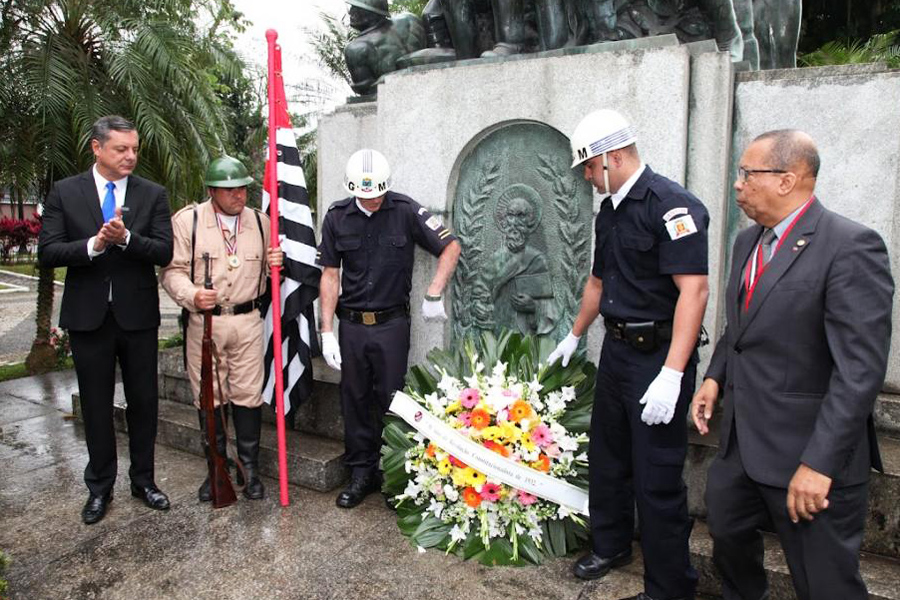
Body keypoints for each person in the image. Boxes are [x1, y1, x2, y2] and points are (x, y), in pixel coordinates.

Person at [691, 130, 893, 600]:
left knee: (824, 583)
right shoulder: (747, 242)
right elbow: (738, 325)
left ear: (788, 180)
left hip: (808, 452)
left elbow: (859, 371)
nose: (738, 185)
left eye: (747, 174)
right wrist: (715, 378)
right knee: (726, 539)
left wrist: (819, 464)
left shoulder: (850, 246)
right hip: (743, 445)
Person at [548, 109, 709, 600]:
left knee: (657, 480)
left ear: (614, 158)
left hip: (657, 358)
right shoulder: (611, 210)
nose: (587, 178)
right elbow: (598, 282)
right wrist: (574, 335)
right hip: (617, 354)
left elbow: (695, 292)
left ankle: (669, 587)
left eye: (590, 169)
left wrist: (672, 374)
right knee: (608, 458)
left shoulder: (671, 206)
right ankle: (612, 544)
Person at [38, 115, 174, 524]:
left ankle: (144, 481)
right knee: (95, 406)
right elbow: (48, 252)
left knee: (144, 403)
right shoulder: (65, 191)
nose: (131, 156)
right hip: (88, 318)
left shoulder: (153, 195)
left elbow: (164, 251)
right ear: (97, 148)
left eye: (134, 149)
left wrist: (128, 239)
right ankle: (99, 489)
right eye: (121, 149)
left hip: (137, 317)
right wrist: (94, 245)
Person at [318, 148, 461, 508]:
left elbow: (451, 246)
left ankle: (395, 474)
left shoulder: (405, 210)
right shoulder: (337, 217)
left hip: (391, 325)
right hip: (351, 326)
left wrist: (434, 292)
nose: (374, 200)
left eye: (379, 193)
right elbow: (330, 275)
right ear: (353, 190)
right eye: (366, 196)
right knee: (354, 399)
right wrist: (326, 331)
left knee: (392, 399)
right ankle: (361, 473)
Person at [159, 156, 282, 502]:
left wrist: (278, 268)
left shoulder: (261, 222)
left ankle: (250, 468)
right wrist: (193, 294)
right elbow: (171, 271)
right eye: (229, 190)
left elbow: (272, 276)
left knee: (247, 394)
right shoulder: (189, 221)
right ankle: (217, 468)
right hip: (205, 323)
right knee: (209, 396)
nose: (238, 195)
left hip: (247, 320)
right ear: (212, 190)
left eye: (242, 187)